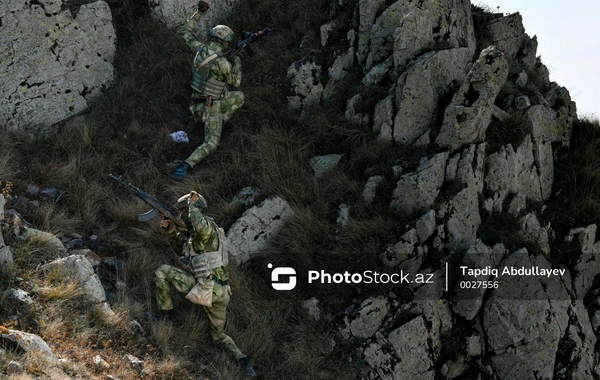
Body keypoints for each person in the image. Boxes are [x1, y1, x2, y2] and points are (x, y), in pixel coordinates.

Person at [154, 191, 256, 377]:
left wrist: (189, 204)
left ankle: (166, 320)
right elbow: (181, 250)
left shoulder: (207, 228)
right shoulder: (201, 237)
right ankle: (243, 361)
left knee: (162, 271)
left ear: (196, 210)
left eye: (184, 211)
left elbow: (198, 224)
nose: (182, 215)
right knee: (219, 336)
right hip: (221, 292)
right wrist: (170, 230)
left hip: (208, 289)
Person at [171, 0, 245, 180]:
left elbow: (184, 32)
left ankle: (208, 122)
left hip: (196, 101)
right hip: (211, 106)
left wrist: (199, 13)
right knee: (211, 143)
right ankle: (184, 167)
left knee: (239, 97)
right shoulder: (223, 64)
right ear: (226, 42)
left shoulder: (198, 49)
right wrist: (238, 60)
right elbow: (235, 82)